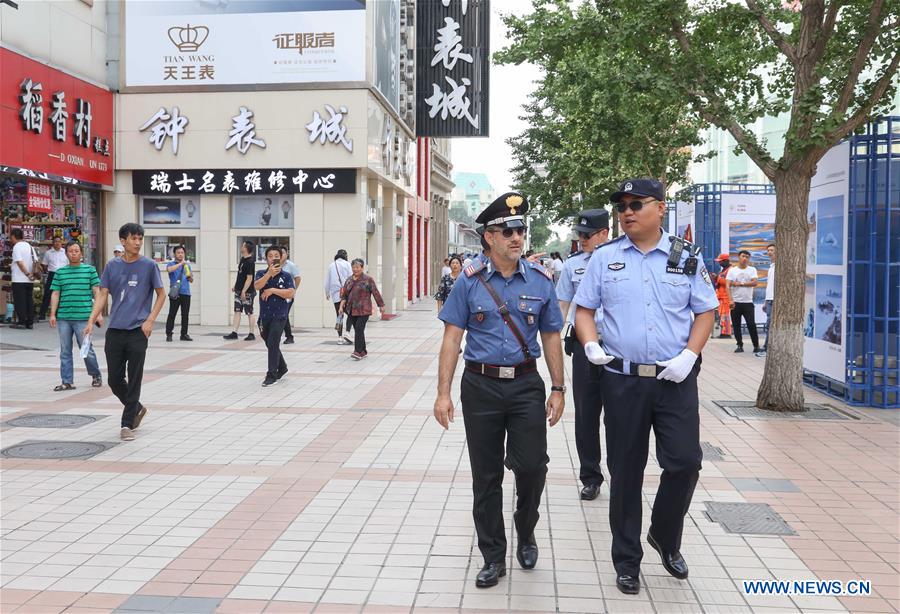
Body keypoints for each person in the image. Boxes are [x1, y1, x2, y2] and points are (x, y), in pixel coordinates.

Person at [573, 178, 717, 596]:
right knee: (626, 474)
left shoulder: (685, 256)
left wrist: (690, 355)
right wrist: (591, 344)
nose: (627, 212)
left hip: (675, 380)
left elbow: (705, 311)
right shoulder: (604, 258)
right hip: (622, 381)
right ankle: (627, 562)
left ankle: (665, 536)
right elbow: (584, 310)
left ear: (661, 208)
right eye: (622, 206)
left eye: (637, 204)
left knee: (685, 462)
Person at [434, 192, 565, 589]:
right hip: (481, 386)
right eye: (507, 231)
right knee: (485, 476)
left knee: (531, 467)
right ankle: (493, 555)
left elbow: (552, 337)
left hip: (526, 384)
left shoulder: (541, 281)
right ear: (488, 237)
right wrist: (443, 393)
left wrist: (559, 388)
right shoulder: (468, 283)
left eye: (520, 230)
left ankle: (526, 529)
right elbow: (452, 339)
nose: (516, 237)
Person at [84, 223, 166, 442]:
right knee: (114, 380)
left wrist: (150, 320)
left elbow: (161, 295)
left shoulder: (149, 266)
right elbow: (102, 295)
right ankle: (136, 407)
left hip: (138, 330)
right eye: (133, 239)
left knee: (135, 377)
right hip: (115, 330)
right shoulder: (112, 266)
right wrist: (92, 319)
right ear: (123, 241)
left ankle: (126, 423)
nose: (138, 243)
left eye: (140, 239)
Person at [556, 208, 609, 501]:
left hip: (616, 347)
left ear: (604, 234)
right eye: (579, 234)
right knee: (586, 414)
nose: (581, 239)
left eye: (587, 235)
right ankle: (591, 476)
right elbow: (561, 308)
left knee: (620, 415)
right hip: (582, 346)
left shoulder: (621, 261)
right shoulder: (572, 266)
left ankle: (621, 470)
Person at [48, 240, 103, 390]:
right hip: (64, 317)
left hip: (84, 317)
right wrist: (52, 314)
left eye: (76, 251)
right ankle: (67, 381)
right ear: (66, 254)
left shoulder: (90, 270)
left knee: (86, 349)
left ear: (81, 253)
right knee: (65, 350)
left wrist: (97, 314)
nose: (74, 253)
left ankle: (95, 374)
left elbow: (97, 292)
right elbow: (55, 293)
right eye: (71, 251)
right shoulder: (60, 272)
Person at [254, 245, 295, 386]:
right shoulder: (260, 273)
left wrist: (272, 290)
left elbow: (290, 293)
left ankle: (271, 375)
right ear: (266, 259)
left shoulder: (286, 276)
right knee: (270, 343)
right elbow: (257, 286)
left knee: (273, 343)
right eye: (270, 256)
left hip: (280, 315)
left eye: (276, 256)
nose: (273, 258)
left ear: (282, 258)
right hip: (264, 316)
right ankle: (282, 367)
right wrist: (269, 275)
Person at [339, 258, 384, 360]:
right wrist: (341, 306)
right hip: (351, 310)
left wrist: (381, 305)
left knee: (359, 329)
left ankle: (357, 351)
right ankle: (363, 350)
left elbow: (375, 292)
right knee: (359, 330)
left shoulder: (368, 279)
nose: (355, 269)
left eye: (357, 267)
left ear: (362, 268)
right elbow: (344, 295)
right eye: (353, 267)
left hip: (364, 309)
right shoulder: (349, 280)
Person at [726, 249, 760, 353]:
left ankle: (756, 346)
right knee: (736, 325)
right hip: (735, 302)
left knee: (751, 324)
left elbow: (755, 283)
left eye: (747, 257)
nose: (745, 259)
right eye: (743, 256)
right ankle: (739, 345)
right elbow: (728, 285)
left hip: (748, 302)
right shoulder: (732, 270)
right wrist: (730, 300)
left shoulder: (752, 270)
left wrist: (740, 284)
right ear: (739, 257)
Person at [224, 240, 257, 341]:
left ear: (246, 248)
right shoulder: (243, 259)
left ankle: (251, 333)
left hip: (247, 291)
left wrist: (244, 291)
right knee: (237, 311)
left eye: (243, 246)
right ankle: (234, 332)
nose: (241, 247)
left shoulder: (250, 261)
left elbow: (249, 278)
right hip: (239, 290)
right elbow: (240, 275)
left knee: (249, 312)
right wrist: (236, 286)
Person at [165, 245, 193, 342]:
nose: (180, 254)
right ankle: (169, 334)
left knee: (185, 315)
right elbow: (169, 270)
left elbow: (191, 279)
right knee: (172, 314)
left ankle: (184, 334)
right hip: (175, 293)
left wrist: (190, 277)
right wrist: (180, 264)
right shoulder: (171, 264)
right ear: (175, 254)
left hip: (186, 293)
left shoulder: (187, 265)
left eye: (182, 253)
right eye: (178, 253)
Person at [9, 228, 36, 329]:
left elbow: (20, 262)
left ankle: (22, 322)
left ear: (13, 236)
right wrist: (31, 275)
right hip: (29, 280)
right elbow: (35, 262)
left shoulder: (17, 247)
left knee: (20, 300)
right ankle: (30, 322)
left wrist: (27, 273)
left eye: (10, 237)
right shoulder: (30, 247)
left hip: (19, 279)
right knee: (29, 300)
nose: (10, 239)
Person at [325, 249, 353, 344]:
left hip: (336, 294)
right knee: (351, 313)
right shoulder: (348, 264)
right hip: (347, 293)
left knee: (339, 315)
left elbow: (327, 281)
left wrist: (327, 292)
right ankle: (348, 332)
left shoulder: (331, 265)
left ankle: (340, 337)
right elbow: (351, 278)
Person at [39, 236, 68, 320]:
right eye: (55, 241)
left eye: (59, 241)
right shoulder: (48, 253)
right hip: (52, 275)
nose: (57, 243)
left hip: (63, 275)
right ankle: (42, 314)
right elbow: (44, 264)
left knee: (63, 295)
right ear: (53, 243)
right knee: (47, 294)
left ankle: (60, 314)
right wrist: (47, 271)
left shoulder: (65, 252)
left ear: (61, 243)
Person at [278, 246, 301, 344]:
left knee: (284, 314)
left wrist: (294, 290)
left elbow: (298, 278)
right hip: (277, 294)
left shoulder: (291, 265)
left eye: (283, 253)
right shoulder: (275, 265)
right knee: (281, 314)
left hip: (287, 295)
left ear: (287, 254)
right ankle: (283, 335)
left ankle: (289, 336)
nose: (281, 255)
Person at [756, 244, 775, 357]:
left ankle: (766, 348)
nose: (769, 252)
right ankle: (767, 347)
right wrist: (765, 301)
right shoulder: (771, 267)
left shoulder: (779, 266)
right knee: (769, 324)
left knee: (770, 325)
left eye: (772, 250)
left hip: (774, 300)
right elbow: (769, 285)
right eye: (768, 250)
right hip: (769, 300)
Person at [713, 254, 732, 338]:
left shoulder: (731, 270)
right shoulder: (723, 270)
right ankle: (723, 332)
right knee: (722, 316)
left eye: (720, 261)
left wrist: (718, 278)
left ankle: (727, 333)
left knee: (726, 316)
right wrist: (716, 278)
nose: (719, 263)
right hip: (720, 297)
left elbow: (729, 283)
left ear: (726, 261)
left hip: (726, 297)